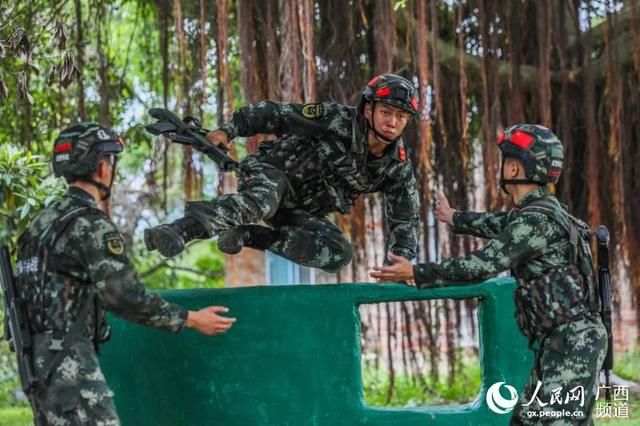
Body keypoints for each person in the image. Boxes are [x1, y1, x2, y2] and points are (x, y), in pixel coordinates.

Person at [370, 124, 607, 425]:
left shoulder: (534, 222)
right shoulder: (544, 212)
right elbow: (499, 223)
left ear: (513, 166)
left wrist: (417, 272)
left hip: (573, 343)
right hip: (563, 341)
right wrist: (454, 217)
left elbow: (482, 265)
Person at [15, 123, 236, 425]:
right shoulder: (89, 224)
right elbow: (125, 296)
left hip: (36, 359)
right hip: (69, 359)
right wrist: (192, 319)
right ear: (103, 168)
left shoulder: (40, 224)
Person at [144, 74, 421, 273]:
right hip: (273, 173)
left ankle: (248, 236)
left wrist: (403, 261)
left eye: (401, 117)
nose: (393, 122)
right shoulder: (337, 119)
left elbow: (405, 218)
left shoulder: (397, 166)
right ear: (369, 109)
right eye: (386, 112)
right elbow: (276, 114)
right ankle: (178, 230)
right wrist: (228, 131)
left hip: (298, 209)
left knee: (339, 253)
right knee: (261, 202)